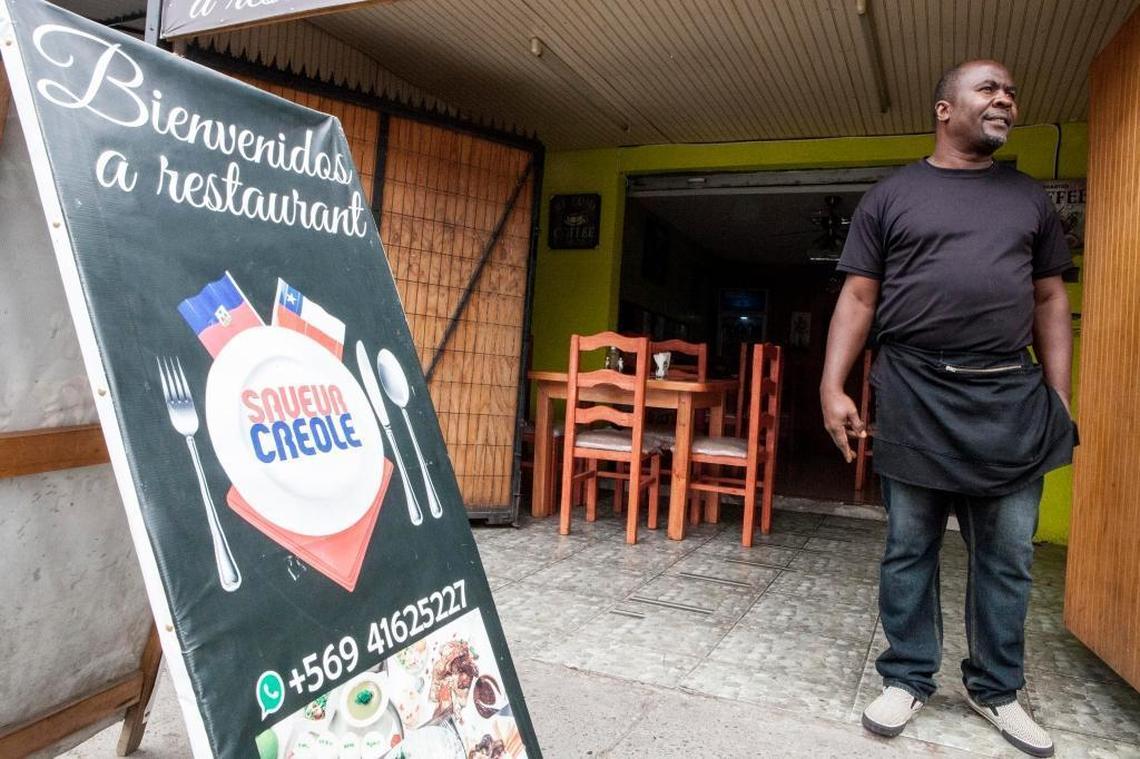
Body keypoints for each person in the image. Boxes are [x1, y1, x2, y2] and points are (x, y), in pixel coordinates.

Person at [820, 60, 1077, 758]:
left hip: (1009, 396)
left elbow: (1051, 299)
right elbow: (859, 298)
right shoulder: (892, 195)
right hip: (914, 391)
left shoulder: (1028, 199)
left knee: (1008, 556)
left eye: (1011, 92)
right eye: (988, 88)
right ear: (943, 108)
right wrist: (831, 383)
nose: (1005, 98)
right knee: (910, 548)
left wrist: (1058, 397)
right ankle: (907, 676)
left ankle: (996, 688)